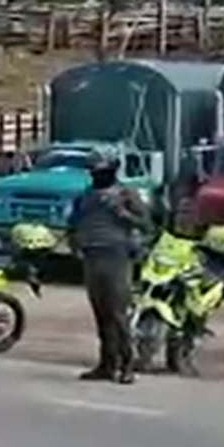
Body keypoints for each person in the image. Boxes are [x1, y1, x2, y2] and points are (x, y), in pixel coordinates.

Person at [68, 149, 151, 384]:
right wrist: (75, 243)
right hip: (92, 256)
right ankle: (106, 364)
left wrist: (122, 213)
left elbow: (146, 223)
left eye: (100, 171)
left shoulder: (126, 193)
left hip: (117, 256)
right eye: (93, 172)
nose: (96, 176)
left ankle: (127, 364)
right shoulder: (86, 196)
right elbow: (74, 222)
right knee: (101, 313)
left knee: (117, 314)